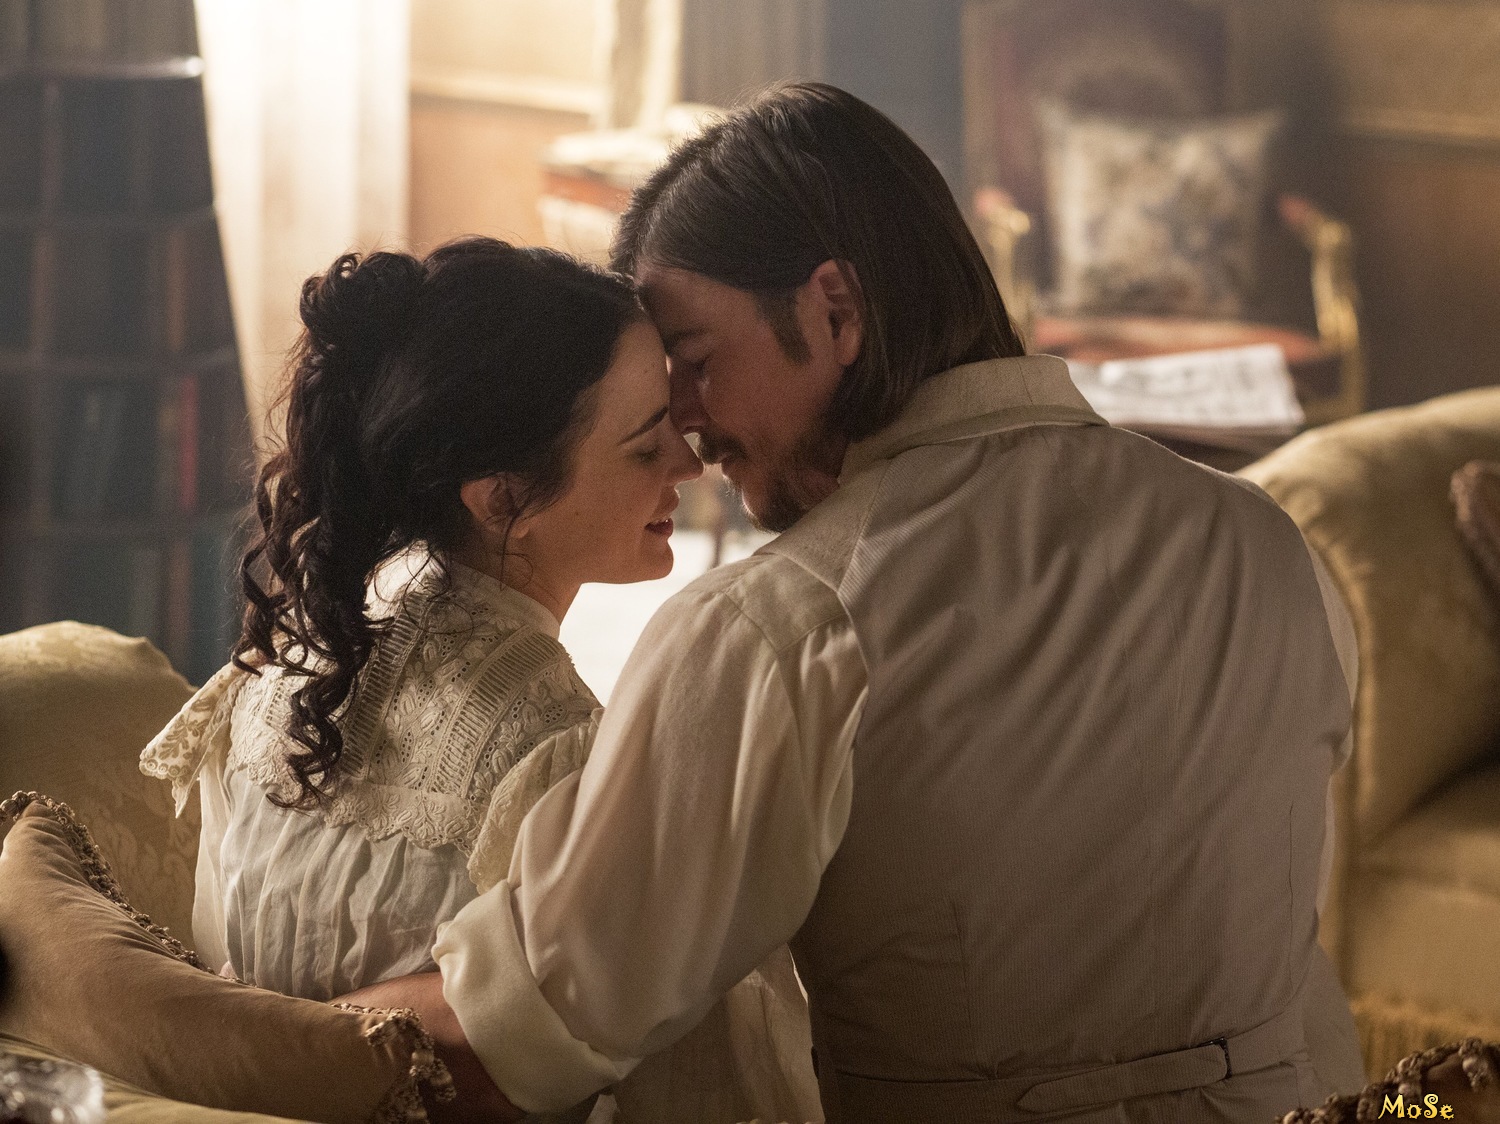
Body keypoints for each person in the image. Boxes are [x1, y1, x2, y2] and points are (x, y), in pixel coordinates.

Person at [365, 82, 1371, 1123]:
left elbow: (520, 1035)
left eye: (696, 363)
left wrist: (251, 1036)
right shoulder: (1269, 546)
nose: (685, 426)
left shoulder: (781, 629)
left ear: (834, 311)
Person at [139, 236, 821, 1123]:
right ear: (501, 500)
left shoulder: (291, 665)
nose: (689, 465)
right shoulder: (555, 749)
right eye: (643, 445)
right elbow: (681, 1082)